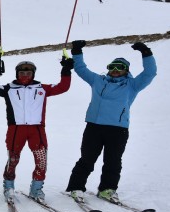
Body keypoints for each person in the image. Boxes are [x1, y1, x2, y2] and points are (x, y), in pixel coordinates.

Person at [65, 40, 157, 202]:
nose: (115, 70)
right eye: (112, 67)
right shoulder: (98, 81)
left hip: (117, 129)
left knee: (113, 161)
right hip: (94, 127)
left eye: (119, 67)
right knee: (87, 159)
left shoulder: (132, 85)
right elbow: (81, 69)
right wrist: (77, 51)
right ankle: (76, 187)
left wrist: (146, 52)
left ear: (126, 70)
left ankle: (107, 189)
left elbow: (150, 73)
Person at [0, 57, 73, 202]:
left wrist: (66, 70)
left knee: (41, 160)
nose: (24, 76)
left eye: (28, 73)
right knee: (13, 159)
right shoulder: (9, 88)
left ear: (33, 74)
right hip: (16, 130)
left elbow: (63, 87)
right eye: (21, 73)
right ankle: (8, 186)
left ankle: (36, 189)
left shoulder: (42, 88)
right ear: (16, 74)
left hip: (37, 130)